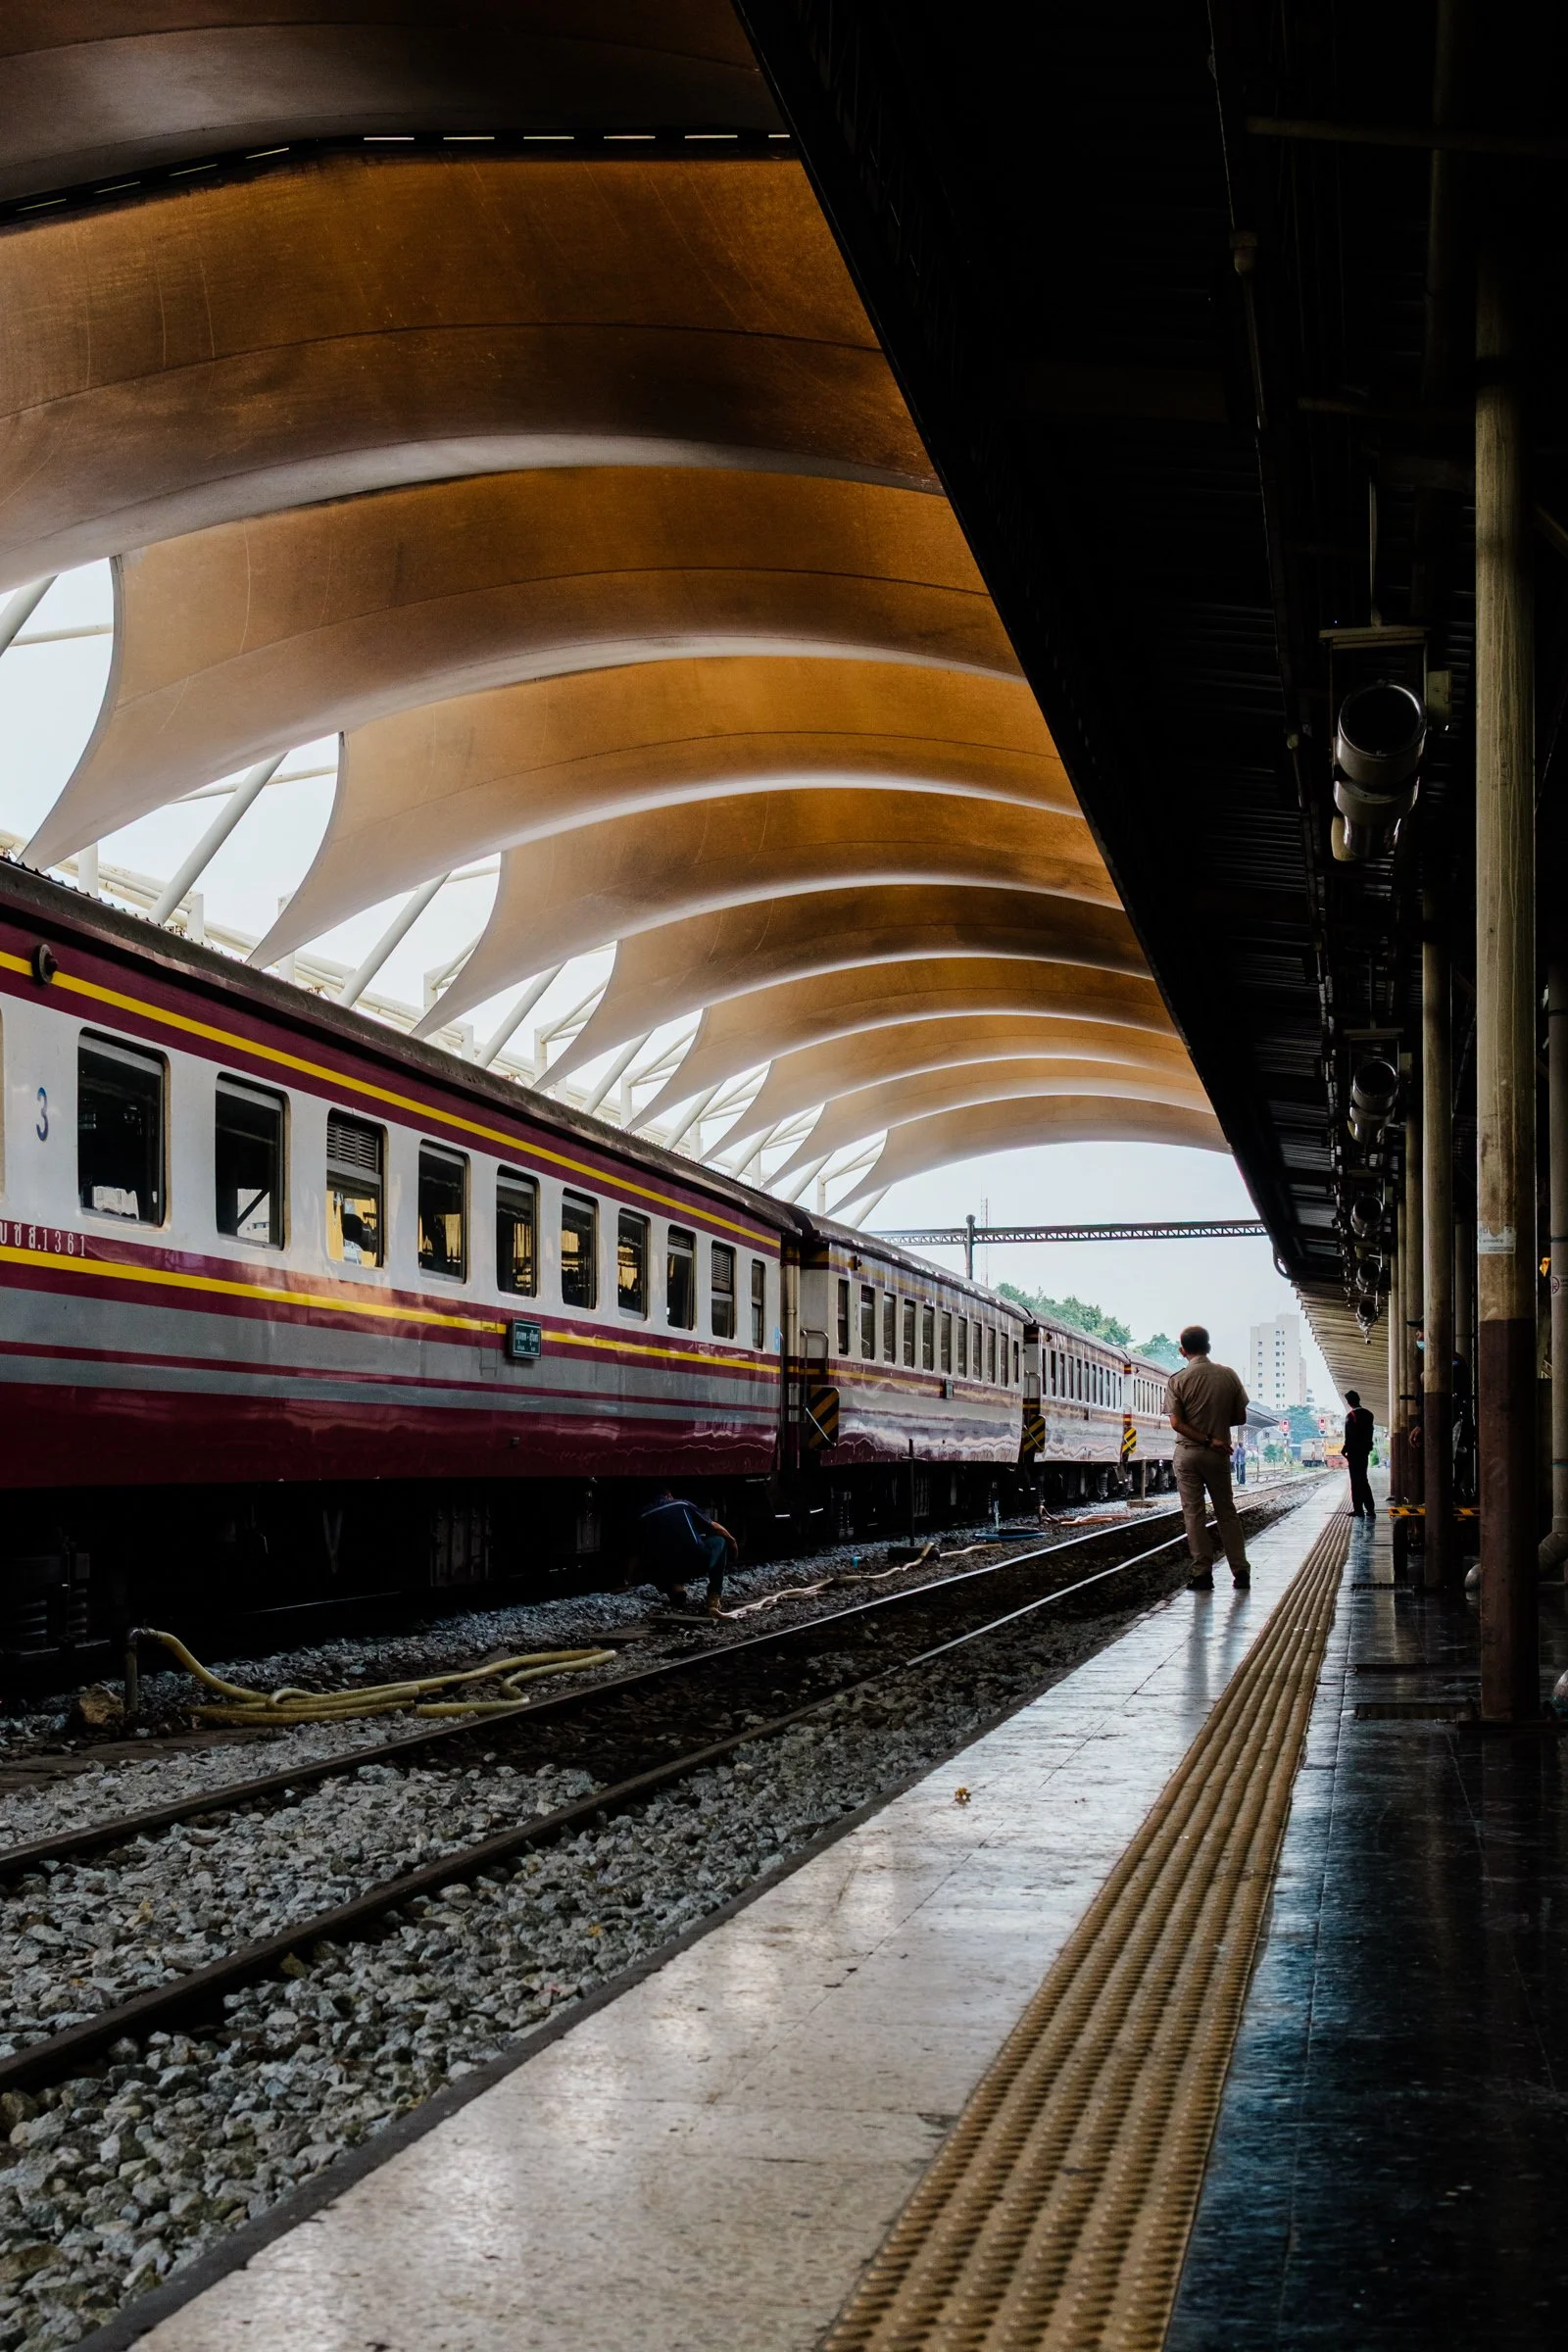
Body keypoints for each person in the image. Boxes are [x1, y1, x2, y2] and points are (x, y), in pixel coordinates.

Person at [1165, 1324, 1253, 1591]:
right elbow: (1241, 1417)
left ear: (1182, 1351)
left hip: (1188, 1454)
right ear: (1209, 1347)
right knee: (1227, 1512)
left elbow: (1176, 1423)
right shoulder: (1228, 1376)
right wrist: (1216, 1428)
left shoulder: (1177, 1380)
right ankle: (1240, 1572)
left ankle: (1202, 1574)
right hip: (1219, 1454)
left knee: (1194, 1514)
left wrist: (1202, 1437)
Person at [634, 1488, 738, 1616]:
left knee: (658, 1554)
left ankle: (674, 1588)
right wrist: (732, 1541)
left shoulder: (642, 1515)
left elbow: (639, 1553)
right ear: (669, 1495)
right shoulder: (681, 1504)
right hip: (695, 1564)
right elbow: (714, 1527)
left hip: (664, 1571)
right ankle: (714, 1596)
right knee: (719, 1541)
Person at [1343, 1389, 1375, 1519]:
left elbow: (1350, 1436)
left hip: (1354, 1453)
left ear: (1349, 1403)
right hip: (1365, 1451)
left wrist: (1345, 1449)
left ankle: (1358, 1510)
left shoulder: (1351, 1416)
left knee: (1356, 1481)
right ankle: (1370, 1509)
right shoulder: (1369, 1414)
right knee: (1363, 1479)